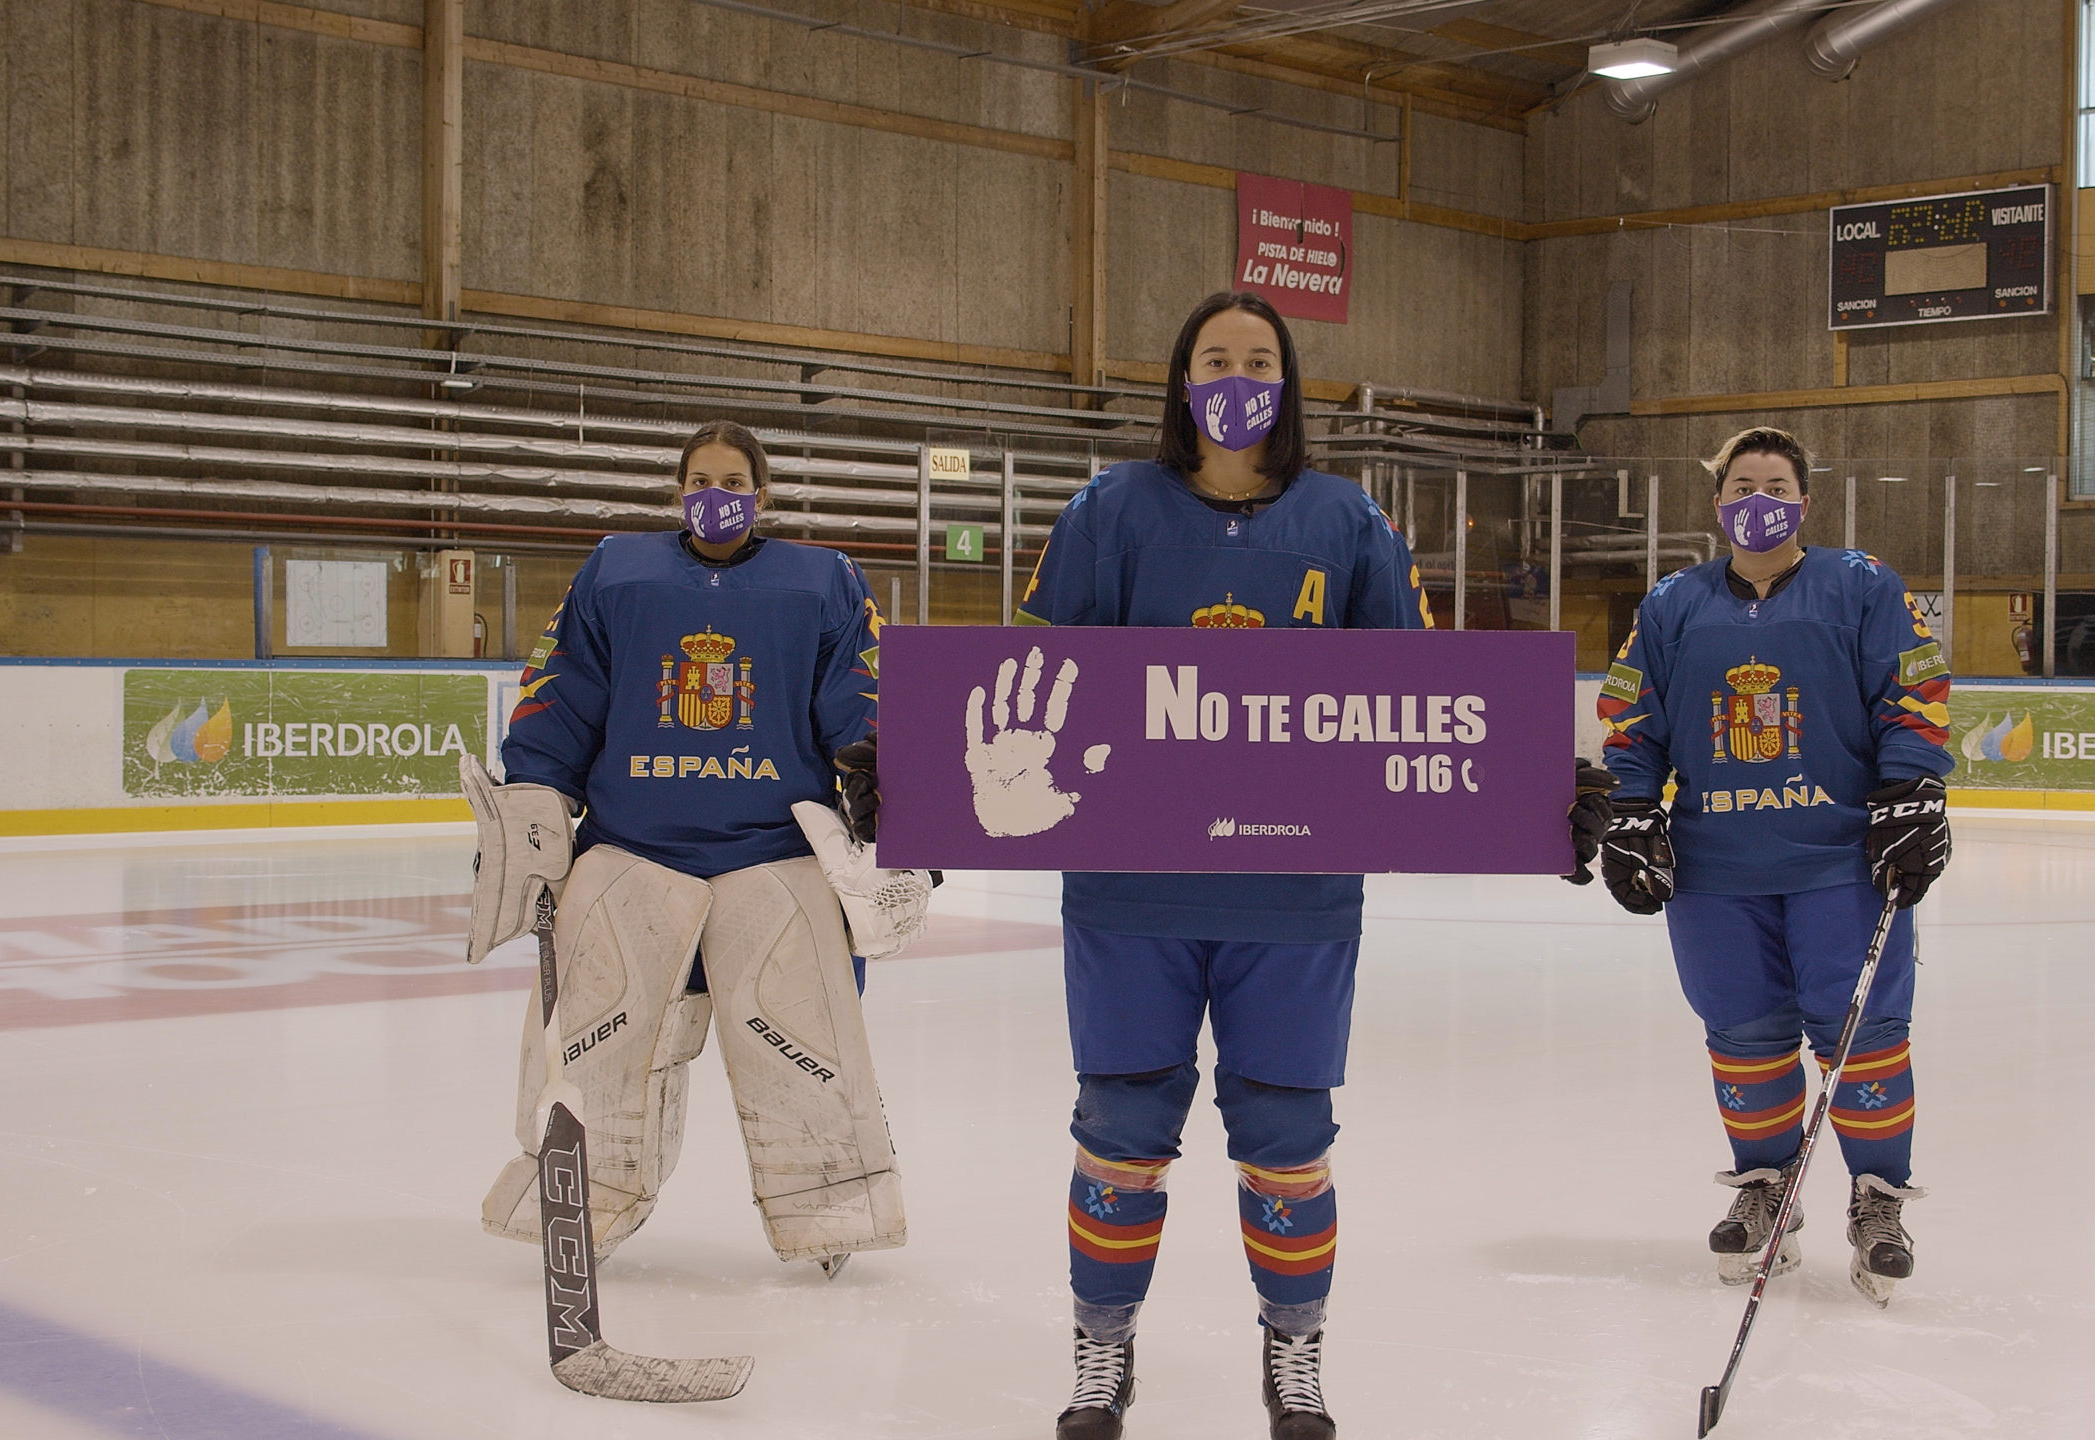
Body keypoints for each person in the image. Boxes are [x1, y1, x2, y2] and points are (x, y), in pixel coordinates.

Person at [1012, 292, 1429, 1440]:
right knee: (1119, 1121)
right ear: (1180, 380)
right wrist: (912, 767)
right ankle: (1103, 1351)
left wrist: (1548, 785)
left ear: (1288, 381)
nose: (1237, 375)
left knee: (1289, 1132)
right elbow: (1035, 687)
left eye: (1258, 359)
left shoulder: (1350, 521)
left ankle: (1293, 1355)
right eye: (1214, 357)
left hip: (1294, 892)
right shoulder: (1108, 510)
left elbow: (1424, 703)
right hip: (1129, 884)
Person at [460, 419, 919, 1282]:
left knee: (803, 1033)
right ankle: (582, 1192)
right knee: (599, 1034)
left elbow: (862, 696)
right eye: (703, 479)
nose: (719, 494)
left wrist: (889, 804)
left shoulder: (822, 582)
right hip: (634, 847)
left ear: (763, 492)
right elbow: (562, 691)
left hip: (774, 854)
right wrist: (535, 803)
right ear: (680, 491)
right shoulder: (616, 573)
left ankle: (831, 1198)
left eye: (735, 479)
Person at [1584, 425, 1953, 1308]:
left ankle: (1876, 1201)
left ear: (1803, 501)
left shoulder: (1861, 586)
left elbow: (1914, 690)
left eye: (1776, 485)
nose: (1760, 499)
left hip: (1839, 860)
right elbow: (1633, 718)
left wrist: (1911, 788)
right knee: (1743, 1036)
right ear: (1718, 505)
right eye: (1742, 485)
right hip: (1715, 867)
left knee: (1859, 1037)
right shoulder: (1673, 604)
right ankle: (1767, 1188)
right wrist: (1633, 808)